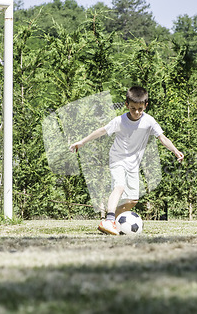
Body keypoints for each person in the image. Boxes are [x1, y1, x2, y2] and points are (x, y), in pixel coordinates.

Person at [69, 86, 184, 235]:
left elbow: (162, 137)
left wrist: (175, 150)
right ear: (126, 105)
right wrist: (82, 142)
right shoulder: (120, 121)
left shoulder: (149, 121)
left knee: (132, 200)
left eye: (140, 109)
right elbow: (102, 131)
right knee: (120, 186)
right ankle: (109, 220)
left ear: (146, 106)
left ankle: (111, 223)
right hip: (117, 158)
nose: (136, 112)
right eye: (133, 108)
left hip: (134, 164)